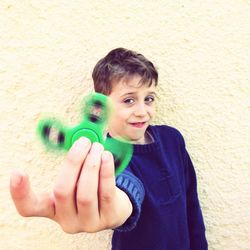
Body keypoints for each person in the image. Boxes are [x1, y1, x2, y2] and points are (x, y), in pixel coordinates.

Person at [10, 48, 208, 249]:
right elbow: (123, 193)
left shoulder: (172, 139)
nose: (142, 112)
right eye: (129, 100)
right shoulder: (105, 158)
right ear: (101, 105)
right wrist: (112, 208)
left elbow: (192, 206)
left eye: (148, 98)